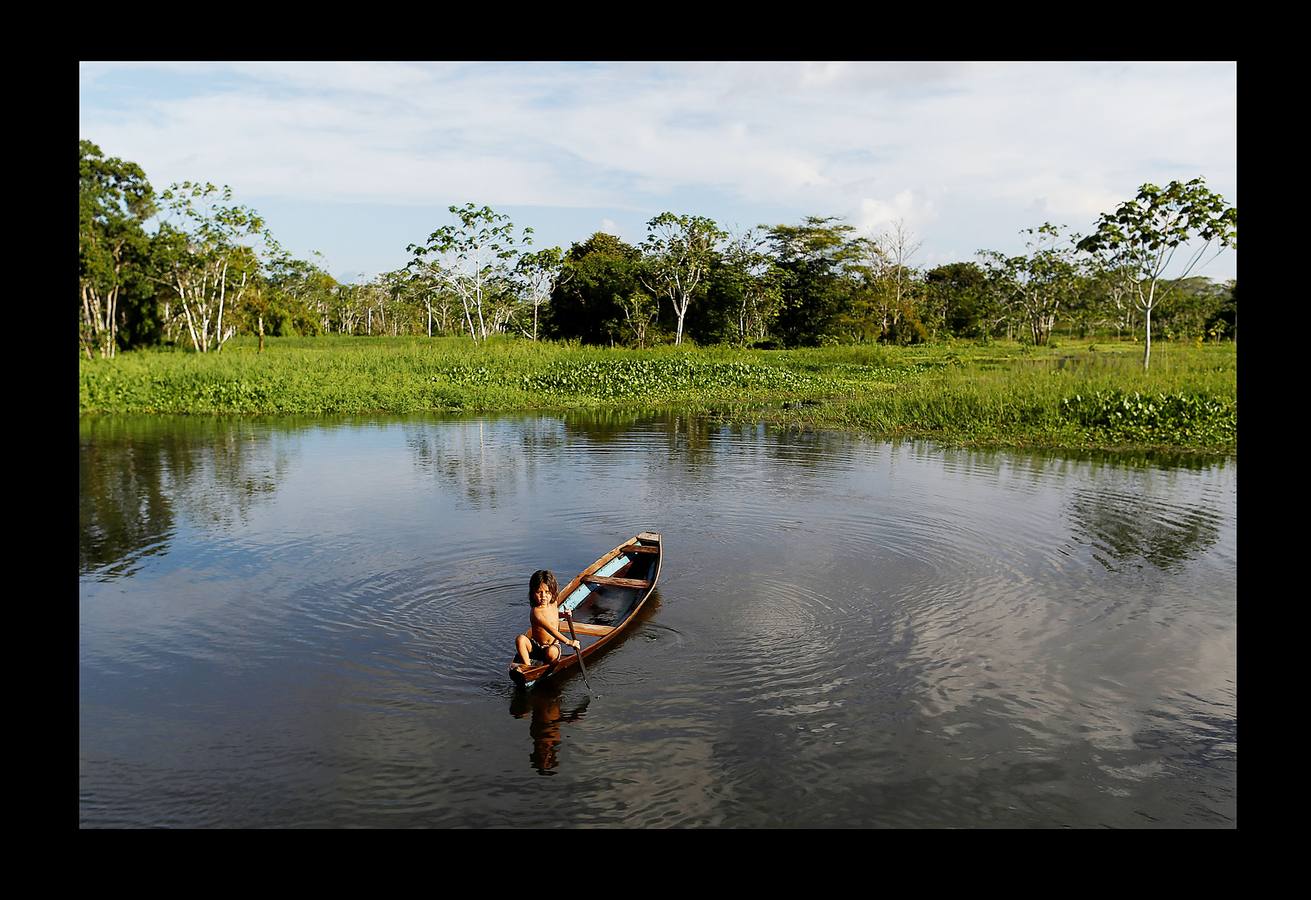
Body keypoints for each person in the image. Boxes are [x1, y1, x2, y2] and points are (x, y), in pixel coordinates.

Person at [515, 569, 580, 667]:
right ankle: (528, 666)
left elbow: (553, 616)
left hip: (552, 646)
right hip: (536, 646)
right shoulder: (536, 612)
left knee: (551, 652)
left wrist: (564, 615)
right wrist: (569, 642)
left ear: (553, 591)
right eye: (539, 592)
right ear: (533, 593)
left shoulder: (554, 603)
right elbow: (551, 630)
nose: (544, 596)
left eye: (547, 592)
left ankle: (548, 664)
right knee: (520, 639)